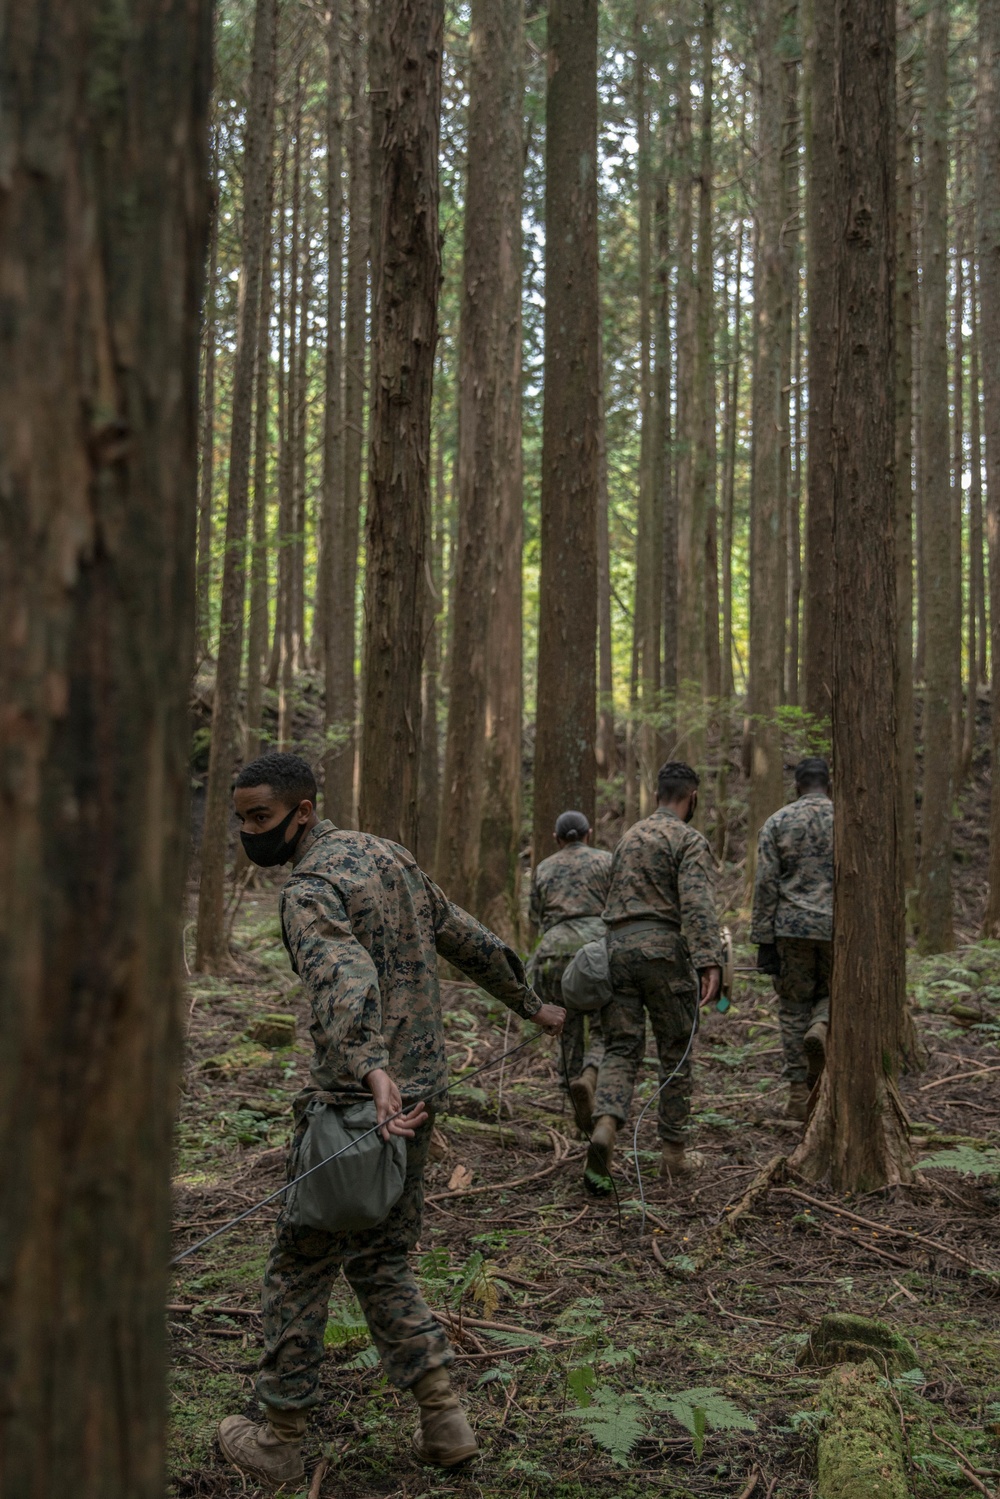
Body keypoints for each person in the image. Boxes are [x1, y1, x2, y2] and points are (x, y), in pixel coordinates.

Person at [217, 753, 565, 1484]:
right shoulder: (388, 855)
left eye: (262, 818)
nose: (250, 832)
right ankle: (444, 1418)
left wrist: (372, 1070)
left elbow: (346, 975)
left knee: (298, 1265)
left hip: (358, 1105)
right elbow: (467, 934)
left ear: (303, 811)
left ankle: (279, 1435)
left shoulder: (311, 886)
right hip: (418, 1099)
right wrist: (532, 1003)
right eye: (242, 818)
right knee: (379, 1259)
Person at [586, 762, 723, 1192]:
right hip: (664, 951)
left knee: (622, 1048)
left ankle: (605, 1124)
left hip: (618, 951)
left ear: (657, 793)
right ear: (692, 797)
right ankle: (673, 1155)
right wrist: (709, 961)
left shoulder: (627, 838)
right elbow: (698, 904)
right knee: (675, 1051)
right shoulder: (688, 840)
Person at [750, 756, 833, 1122]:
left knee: (792, 1008)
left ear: (797, 786)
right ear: (827, 785)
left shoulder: (778, 821)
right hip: (837, 928)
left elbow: (765, 883)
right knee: (835, 997)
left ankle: (799, 1096)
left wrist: (763, 940)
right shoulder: (846, 818)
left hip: (790, 929)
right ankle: (822, 1026)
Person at [527, 810, 612, 1132]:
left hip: (553, 952)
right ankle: (592, 1074)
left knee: (565, 1026)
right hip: (597, 950)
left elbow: (536, 916)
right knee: (607, 1025)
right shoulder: (607, 861)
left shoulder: (543, 868)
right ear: (589, 833)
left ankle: (574, 1103)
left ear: (556, 838)